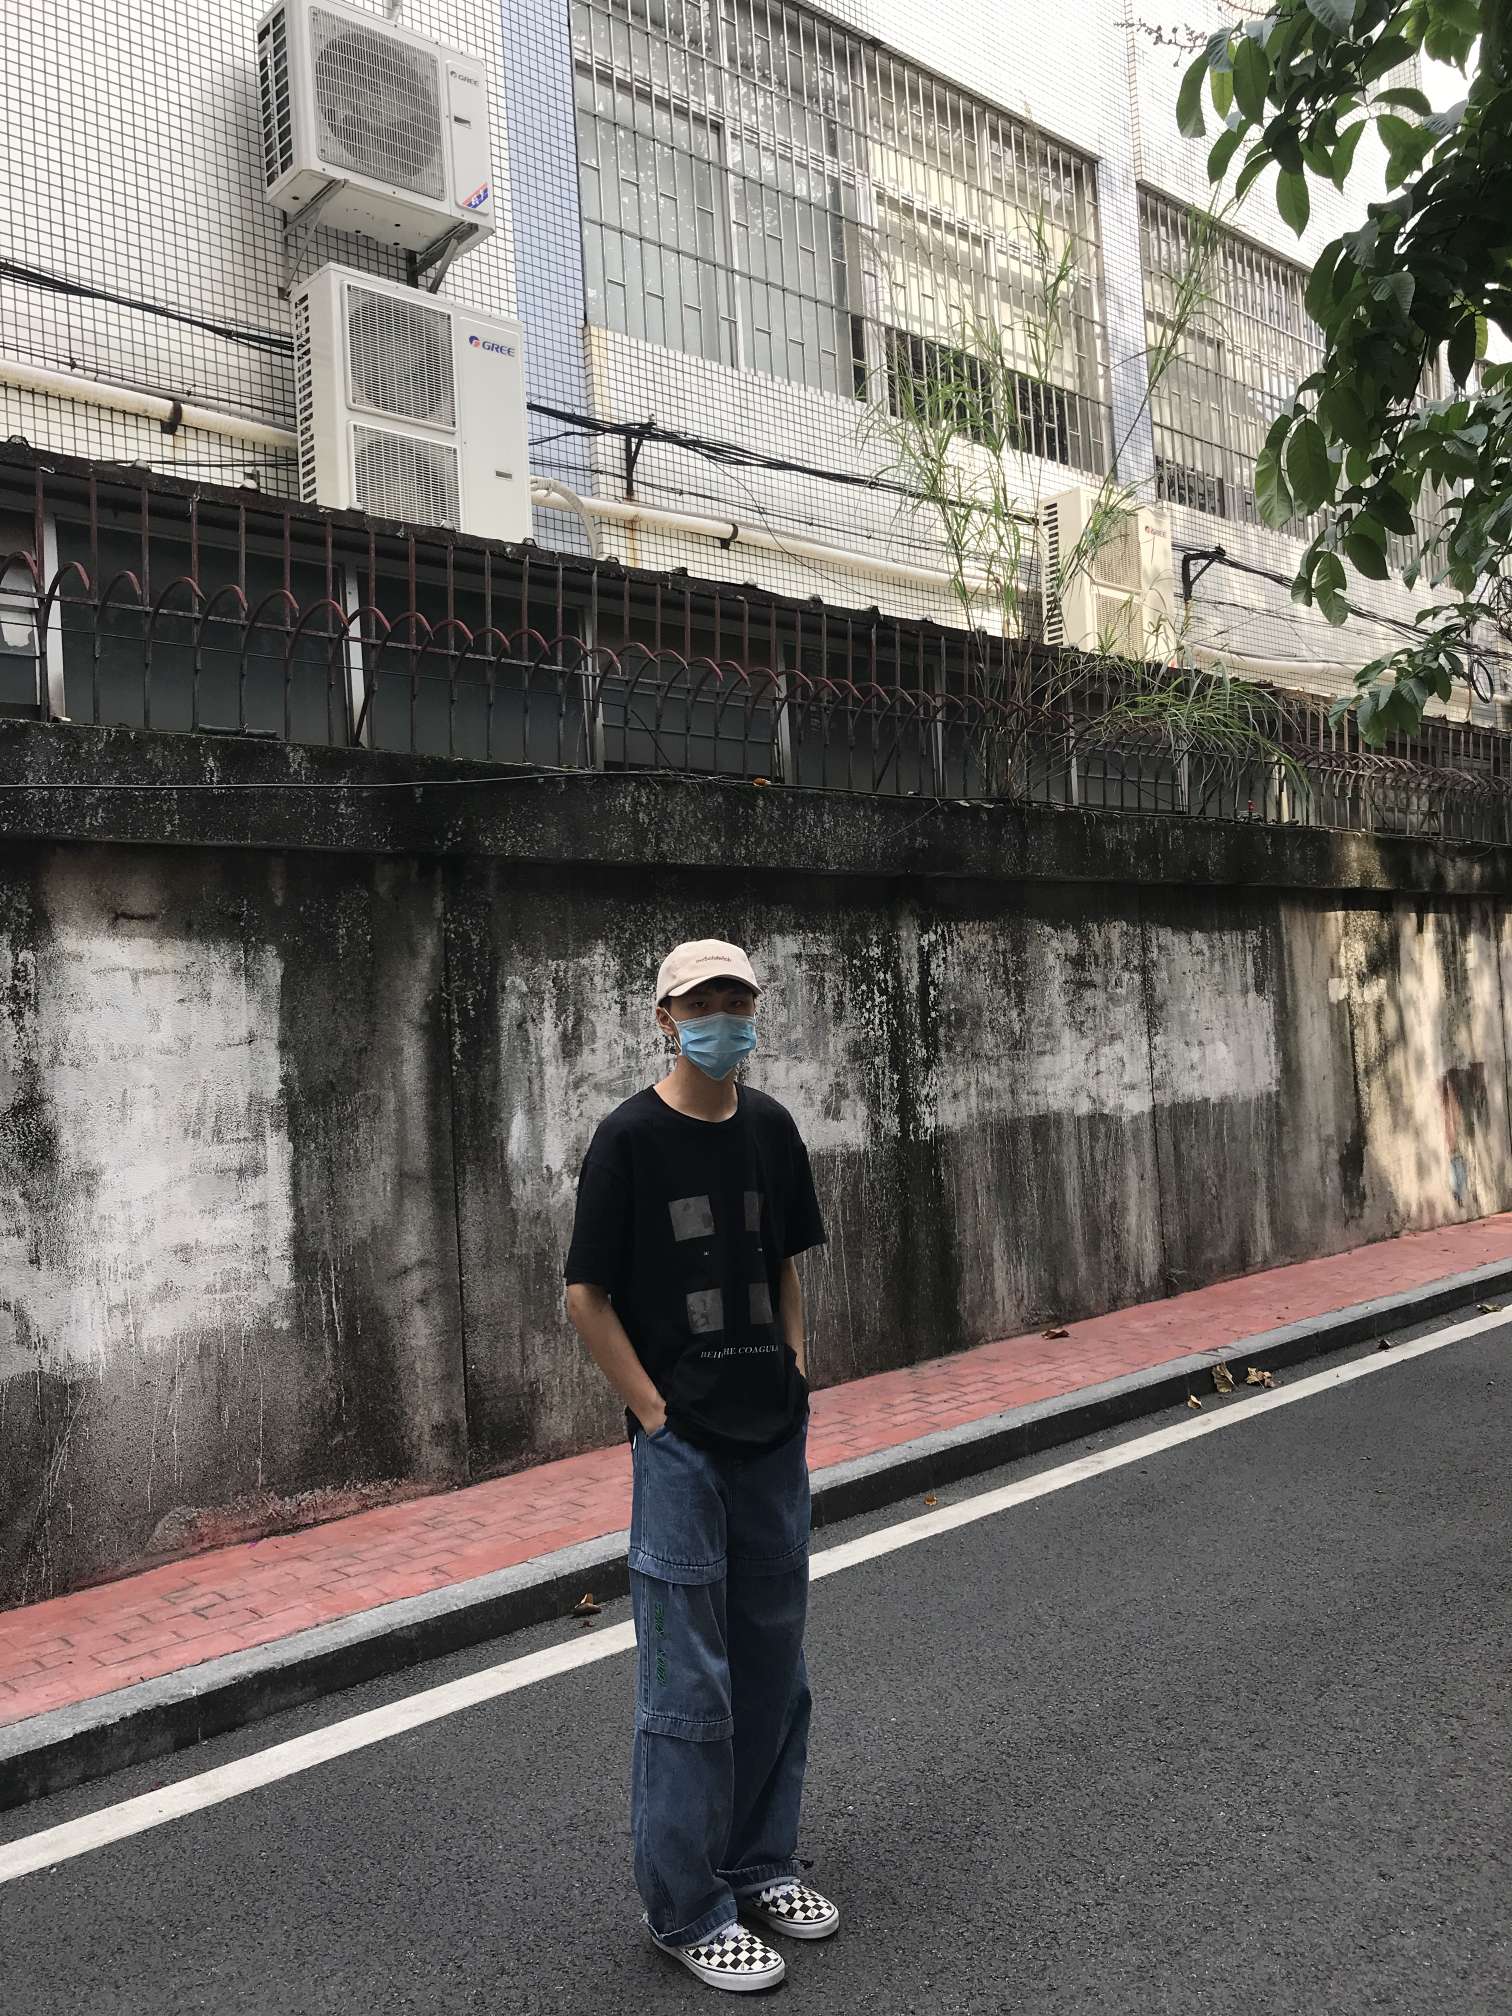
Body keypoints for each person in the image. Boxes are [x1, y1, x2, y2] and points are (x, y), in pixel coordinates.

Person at [564, 937, 840, 1992]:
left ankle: (759, 1862)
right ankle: (685, 1908)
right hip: (683, 1448)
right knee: (689, 1683)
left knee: (774, 1665)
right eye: (702, 1002)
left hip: (772, 1435)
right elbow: (585, 1295)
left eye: (737, 999)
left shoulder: (771, 1128)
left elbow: (784, 1264)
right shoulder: (628, 1140)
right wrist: (652, 1412)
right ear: (665, 1018)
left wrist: (796, 1368)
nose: (724, 1017)